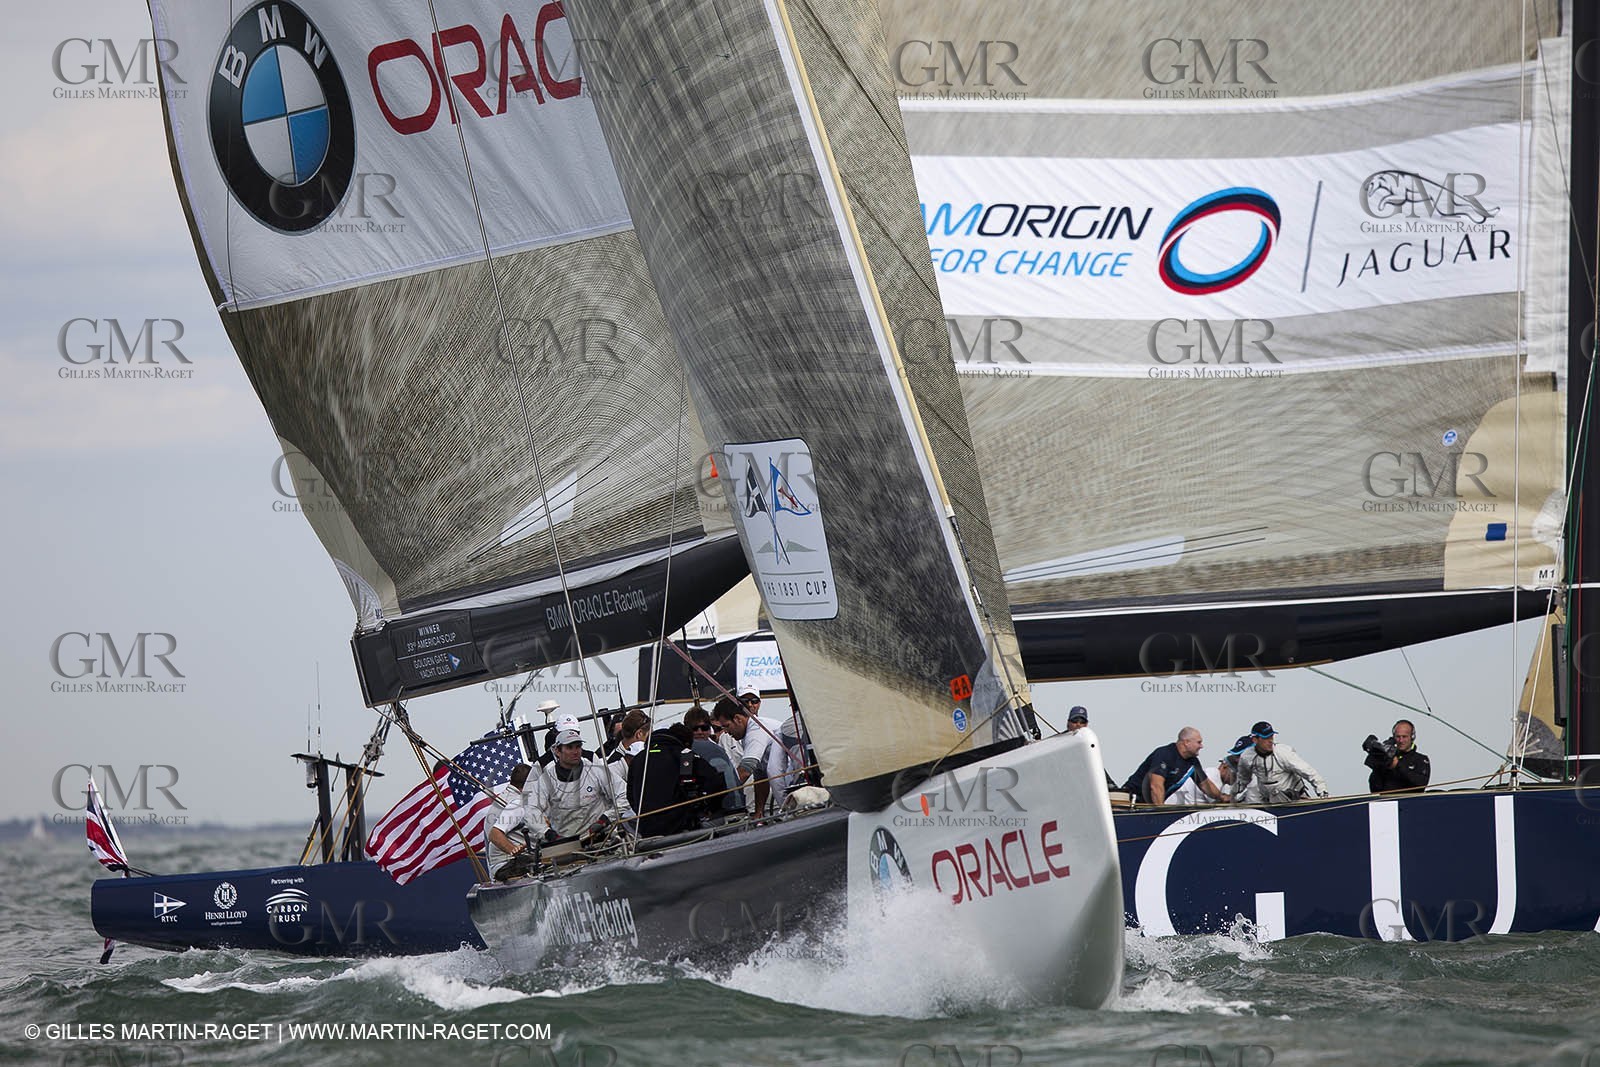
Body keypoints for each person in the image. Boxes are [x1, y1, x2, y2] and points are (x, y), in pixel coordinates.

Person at [525, 716, 635, 840]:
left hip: (603, 836)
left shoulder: (596, 770)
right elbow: (530, 809)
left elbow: (624, 794)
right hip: (566, 843)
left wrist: (605, 819)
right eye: (569, 747)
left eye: (578, 746)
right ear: (557, 751)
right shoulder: (545, 777)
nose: (575, 751)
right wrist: (547, 833)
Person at [626, 724, 727, 836]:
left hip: (648, 830)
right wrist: (708, 808)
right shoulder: (683, 755)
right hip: (681, 829)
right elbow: (715, 783)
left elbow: (630, 795)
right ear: (686, 743)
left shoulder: (637, 760)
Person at [711, 694, 798, 814]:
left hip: (792, 784)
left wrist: (719, 793)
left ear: (737, 719)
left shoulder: (756, 730)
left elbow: (746, 770)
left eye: (726, 726)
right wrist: (758, 813)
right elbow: (760, 777)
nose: (725, 732)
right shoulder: (748, 734)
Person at [1121, 727, 1227, 805]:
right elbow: (1156, 786)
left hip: (1147, 805)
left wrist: (1222, 797)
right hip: (1131, 801)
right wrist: (1161, 813)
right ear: (1186, 742)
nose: (1201, 746)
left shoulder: (1193, 761)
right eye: (1199, 742)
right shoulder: (1164, 754)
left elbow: (1206, 786)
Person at [1235, 721, 1328, 804]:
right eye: (1266, 738)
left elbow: (1308, 771)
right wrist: (1232, 795)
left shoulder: (1283, 752)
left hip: (1296, 800)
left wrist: (1322, 791)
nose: (1270, 741)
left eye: (1271, 736)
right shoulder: (1247, 757)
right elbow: (1242, 780)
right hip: (1270, 802)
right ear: (1255, 740)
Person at [685, 706, 745, 813]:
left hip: (722, 809)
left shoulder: (718, 749)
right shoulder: (686, 751)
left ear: (709, 729)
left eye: (704, 728)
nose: (700, 732)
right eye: (694, 728)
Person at [483, 763, 534, 881]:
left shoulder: (503, 799)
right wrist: (514, 850)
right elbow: (494, 835)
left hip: (497, 866)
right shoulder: (516, 802)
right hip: (506, 864)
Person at [1365, 719, 1431, 794]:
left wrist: (1397, 765)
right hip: (1388, 800)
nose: (1401, 740)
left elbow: (1421, 784)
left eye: (1404, 737)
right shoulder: (1388, 758)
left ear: (1412, 737)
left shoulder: (1421, 759)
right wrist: (1379, 766)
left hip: (1410, 800)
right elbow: (1375, 789)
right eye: (1398, 737)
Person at [1066, 706, 1119, 791]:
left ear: (1086, 724)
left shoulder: (1087, 746)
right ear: (1068, 723)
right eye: (1075, 721)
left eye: (1082, 722)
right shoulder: (1059, 743)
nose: (1078, 724)